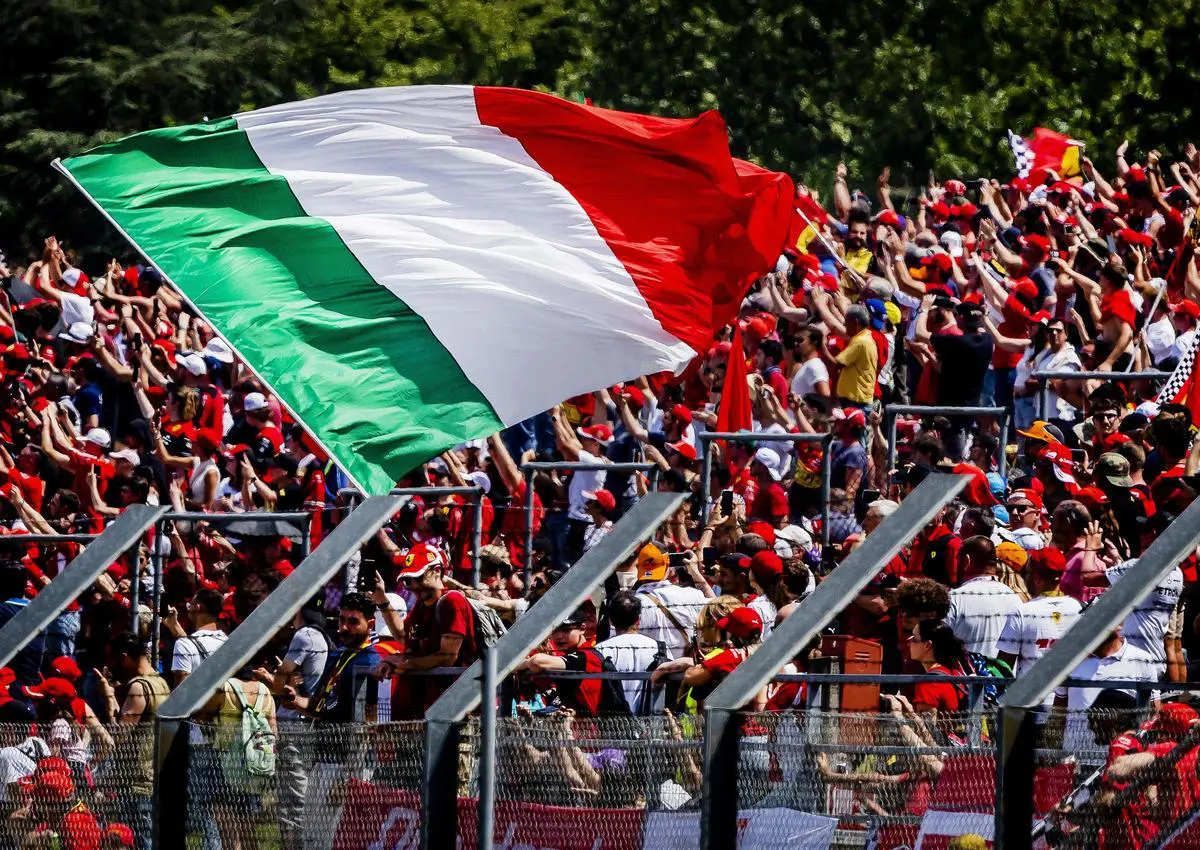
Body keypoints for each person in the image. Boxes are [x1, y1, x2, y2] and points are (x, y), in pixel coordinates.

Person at [376, 543, 479, 716]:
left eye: (418, 577)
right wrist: (382, 600)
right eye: (408, 580)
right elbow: (402, 635)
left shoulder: (452, 602)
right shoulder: (422, 604)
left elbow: (448, 658)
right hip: (428, 706)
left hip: (457, 710)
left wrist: (406, 664)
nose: (413, 586)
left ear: (437, 571)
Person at [95, 632, 170, 850]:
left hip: (136, 781)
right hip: (156, 774)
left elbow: (119, 735)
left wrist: (108, 699)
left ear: (124, 657)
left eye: (114, 660)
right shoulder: (161, 682)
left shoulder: (139, 687)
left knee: (139, 841)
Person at [945, 536, 1021, 657]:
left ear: (966, 561)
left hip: (964, 675)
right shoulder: (1014, 598)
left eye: (957, 559)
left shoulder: (954, 598)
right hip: (1004, 675)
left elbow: (939, 648)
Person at [634, 544, 706, 661]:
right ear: (668, 565)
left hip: (649, 675)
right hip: (687, 672)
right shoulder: (692, 595)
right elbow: (719, 607)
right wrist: (694, 571)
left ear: (639, 568)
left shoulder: (629, 605)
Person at [596, 592, 661, 714]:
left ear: (610, 620)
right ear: (638, 620)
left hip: (613, 723)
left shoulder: (600, 650)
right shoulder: (658, 647)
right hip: (651, 722)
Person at [165, 587, 228, 686]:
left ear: (198, 607)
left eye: (190, 605)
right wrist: (174, 625)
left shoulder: (183, 645)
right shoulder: (227, 641)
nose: (188, 607)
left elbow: (180, 692)